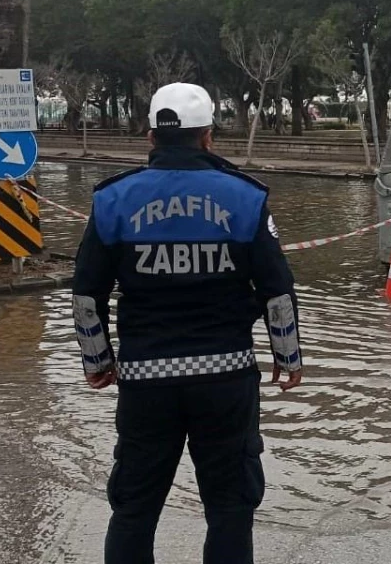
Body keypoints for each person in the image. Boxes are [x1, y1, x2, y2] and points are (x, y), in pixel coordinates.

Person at [71, 82, 304, 564]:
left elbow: (86, 296)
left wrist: (98, 360)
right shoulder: (245, 197)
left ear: (151, 137)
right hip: (226, 379)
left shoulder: (113, 200)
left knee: (134, 508)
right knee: (230, 508)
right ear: (208, 137)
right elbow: (276, 291)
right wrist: (288, 357)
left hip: (145, 381)